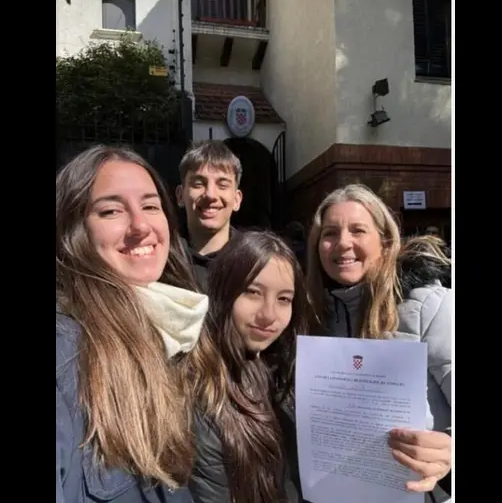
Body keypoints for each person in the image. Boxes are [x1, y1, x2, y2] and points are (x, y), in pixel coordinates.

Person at [56, 145, 209, 503]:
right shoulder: (64, 349)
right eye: (111, 211)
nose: (140, 226)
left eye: (151, 206)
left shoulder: (176, 331)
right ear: (72, 230)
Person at [306, 184, 452, 502]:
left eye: (358, 230)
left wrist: (447, 457)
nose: (343, 243)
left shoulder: (429, 306)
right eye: (330, 233)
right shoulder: (311, 316)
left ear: (385, 242)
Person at [183, 231, 318, 503]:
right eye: (253, 292)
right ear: (223, 291)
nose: (269, 315)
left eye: (284, 299)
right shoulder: (202, 397)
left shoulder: (282, 373)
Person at [176, 140, 243, 291]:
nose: (211, 195)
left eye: (222, 185)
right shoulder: (163, 259)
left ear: (237, 200)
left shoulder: (253, 261)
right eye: (198, 184)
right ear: (180, 196)